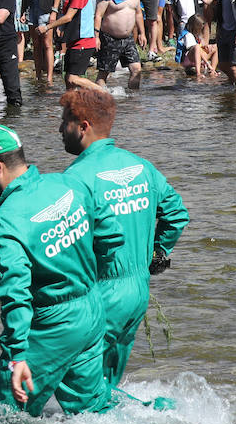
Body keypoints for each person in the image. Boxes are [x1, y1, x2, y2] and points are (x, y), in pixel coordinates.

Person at [0, 124, 124, 417]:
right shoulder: (68, 184)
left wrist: (17, 356)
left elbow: (15, 292)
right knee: (94, 414)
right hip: (91, 311)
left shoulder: (8, 221)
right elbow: (111, 237)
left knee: (1, 418)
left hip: (53, 326)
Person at [58, 87, 189, 392]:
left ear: (83, 126)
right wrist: (158, 253)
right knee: (107, 381)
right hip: (137, 292)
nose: (59, 129)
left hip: (101, 293)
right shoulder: (141, 166)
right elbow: (177, 213)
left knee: (76, 387)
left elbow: (67, 243)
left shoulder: (75, 178)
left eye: (64, 121)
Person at [95, 0, 143, 91]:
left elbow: (138, 14)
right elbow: (98, 15)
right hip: (109, 38)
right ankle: (100, 100)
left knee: (136, 69)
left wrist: (142, 33)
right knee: (104, 73)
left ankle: (132, 99)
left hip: (128, 39)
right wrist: (96, 37)